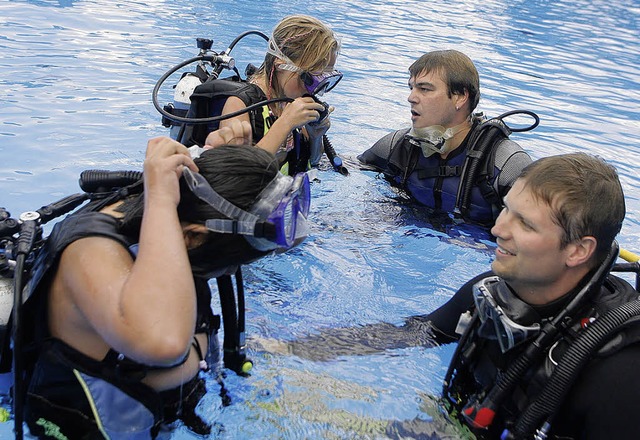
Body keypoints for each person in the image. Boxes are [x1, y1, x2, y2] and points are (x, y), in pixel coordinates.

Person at [262, 153, 640, 439]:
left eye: (524, 224)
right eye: (507, 210)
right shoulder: (493, 291)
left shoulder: (617, 373)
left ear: (577, 250)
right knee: (281, 410)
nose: (497, 229)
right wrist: (289, 348)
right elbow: (417, 332)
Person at [20, 122, 311, 439]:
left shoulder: (178, 217)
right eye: (230, 265)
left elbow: (225, 203)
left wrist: (232, 164)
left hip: (162, 412)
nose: (228, 273)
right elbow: (165, 343)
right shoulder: (92, 255)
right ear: (193, 237)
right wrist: (159, 199)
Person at [358, 50, 533, 226]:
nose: (411, 98)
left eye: (424, 89)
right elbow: (346, 169)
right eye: (412, 88)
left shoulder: (504, 164)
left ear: (460, 97)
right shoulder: (398, 146)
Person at [184, 14, 342, 175]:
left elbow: (310, 163)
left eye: (323, 81)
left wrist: (316, 137)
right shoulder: (239, 104)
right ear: (281, 65)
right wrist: (285, 124)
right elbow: (237, 179)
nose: (313, 90)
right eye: (310, 79)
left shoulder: (290, 102)